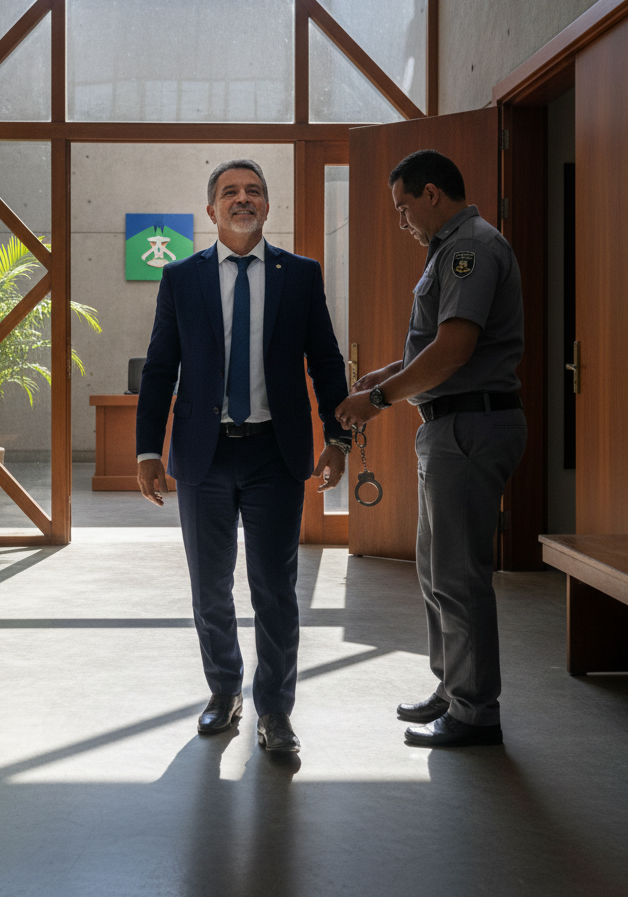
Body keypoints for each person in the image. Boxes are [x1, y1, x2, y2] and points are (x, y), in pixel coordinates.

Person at [136, 158, 351, 754]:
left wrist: (338, 438)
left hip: (275, 457)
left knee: (274, 589)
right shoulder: (182, 279)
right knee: (210, 587)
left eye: (253, 191)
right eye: (230, 192)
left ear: (267, 205)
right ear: (211, 210)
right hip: (203, 458)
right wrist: (148, 448)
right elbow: (160, 369)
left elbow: (326, 362)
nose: (242, 199)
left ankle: (275, 712)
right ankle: (224, 690)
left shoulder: (300, 276)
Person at [335, 149, 526, 748]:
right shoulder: (449, 250)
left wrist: (381, 398)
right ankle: (452, 688)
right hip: (448, 427)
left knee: (459, 573)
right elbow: (431, 350)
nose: (402, 221)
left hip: (469, 427)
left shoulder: (471, 249)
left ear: (431, 195)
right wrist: (385, 375)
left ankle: (475, 712)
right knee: (435, 567)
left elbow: (453, 351)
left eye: (403, 207)